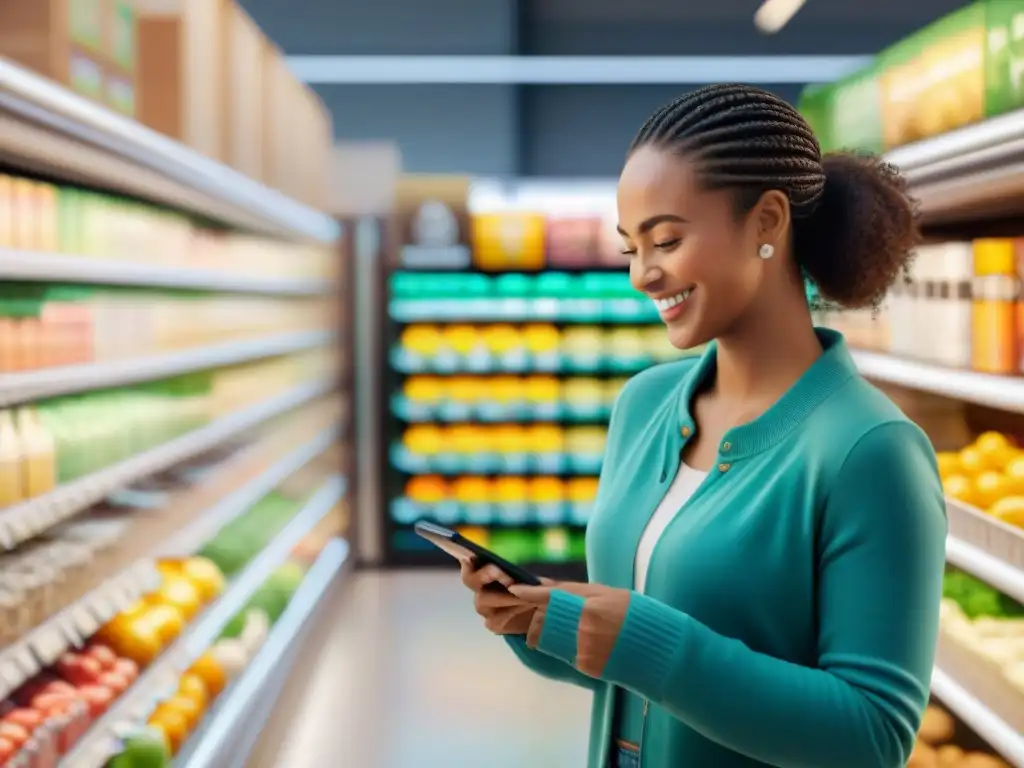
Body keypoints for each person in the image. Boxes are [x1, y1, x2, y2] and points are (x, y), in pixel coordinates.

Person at [460, 83, 947, 768]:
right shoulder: (644, 407)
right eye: (631, 247)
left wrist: (649, 644)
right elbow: (643, 677)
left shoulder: (870, 452)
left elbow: (871, 737)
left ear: (767, 222)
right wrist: (547, 624)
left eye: (666, 239)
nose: (642, 275)